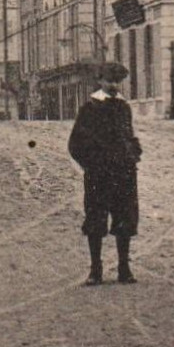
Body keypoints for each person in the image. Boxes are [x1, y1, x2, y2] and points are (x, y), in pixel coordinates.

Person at [68, 62, 142, 285]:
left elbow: (127, 135)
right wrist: (91, 164)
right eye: (109, 80)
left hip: (123, 174)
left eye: (117, 81)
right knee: (95, 220)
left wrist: (134, 151)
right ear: (100, 81)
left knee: (125, 220)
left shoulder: (123, 107)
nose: (113, 85)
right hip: (98, 175)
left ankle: (124, 268)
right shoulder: (89, 108)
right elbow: (75, 144)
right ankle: (95, 270)